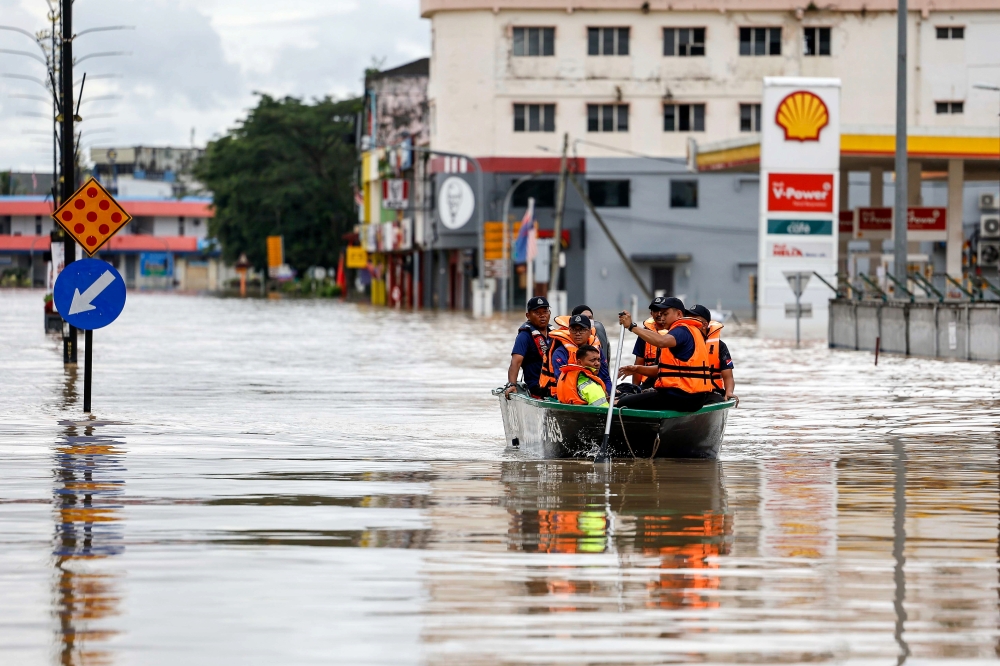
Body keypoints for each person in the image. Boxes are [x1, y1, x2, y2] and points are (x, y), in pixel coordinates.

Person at [615, 297, 722, 412]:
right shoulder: (690, 330)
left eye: (666, 314)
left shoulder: (681, 330)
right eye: (661, 314)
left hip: (681, 397)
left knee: (621, 402)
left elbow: (661, 341)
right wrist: (637, 369)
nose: (662, 317)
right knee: (634, 396)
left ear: (679, 314)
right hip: (693, 397)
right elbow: (664, 370)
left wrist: (631, 326)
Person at [548, 314, 612, 393]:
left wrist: (609, 393)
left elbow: (605, 377)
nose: (577, 333)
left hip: (596, 392)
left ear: (589, 332)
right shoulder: (560, 353)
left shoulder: (597, 350)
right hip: (568, 394)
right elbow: (562, 381)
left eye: (582, 329)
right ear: (569, 331)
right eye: (574, 329)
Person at [504, 296, 553, 399]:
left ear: (549, 313)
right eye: (537, 313)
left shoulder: (555, 334)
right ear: (528, 316)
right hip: (536, 387)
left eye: (545, 312)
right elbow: (516, 362)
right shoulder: (524, 336)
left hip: (556, 385)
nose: (542, 316)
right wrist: (512, 384)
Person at [688, 304, 737, 403]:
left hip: (712, 392)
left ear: (705, 325)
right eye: (688, 320)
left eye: (694, 321)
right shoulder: (680, 341)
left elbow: (728, 376)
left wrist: (729, 392)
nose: (689, 324)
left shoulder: (720, 346)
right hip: (686, 391)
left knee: (717, 399)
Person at [628, 297, 672, 387]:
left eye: (663, 311)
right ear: (651, 313)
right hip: (649, 382)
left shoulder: (678, 332)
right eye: (656, 310)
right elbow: (639, 361)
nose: (659, 314)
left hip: (671, 381)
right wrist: (635, 388)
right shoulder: (645, 334)